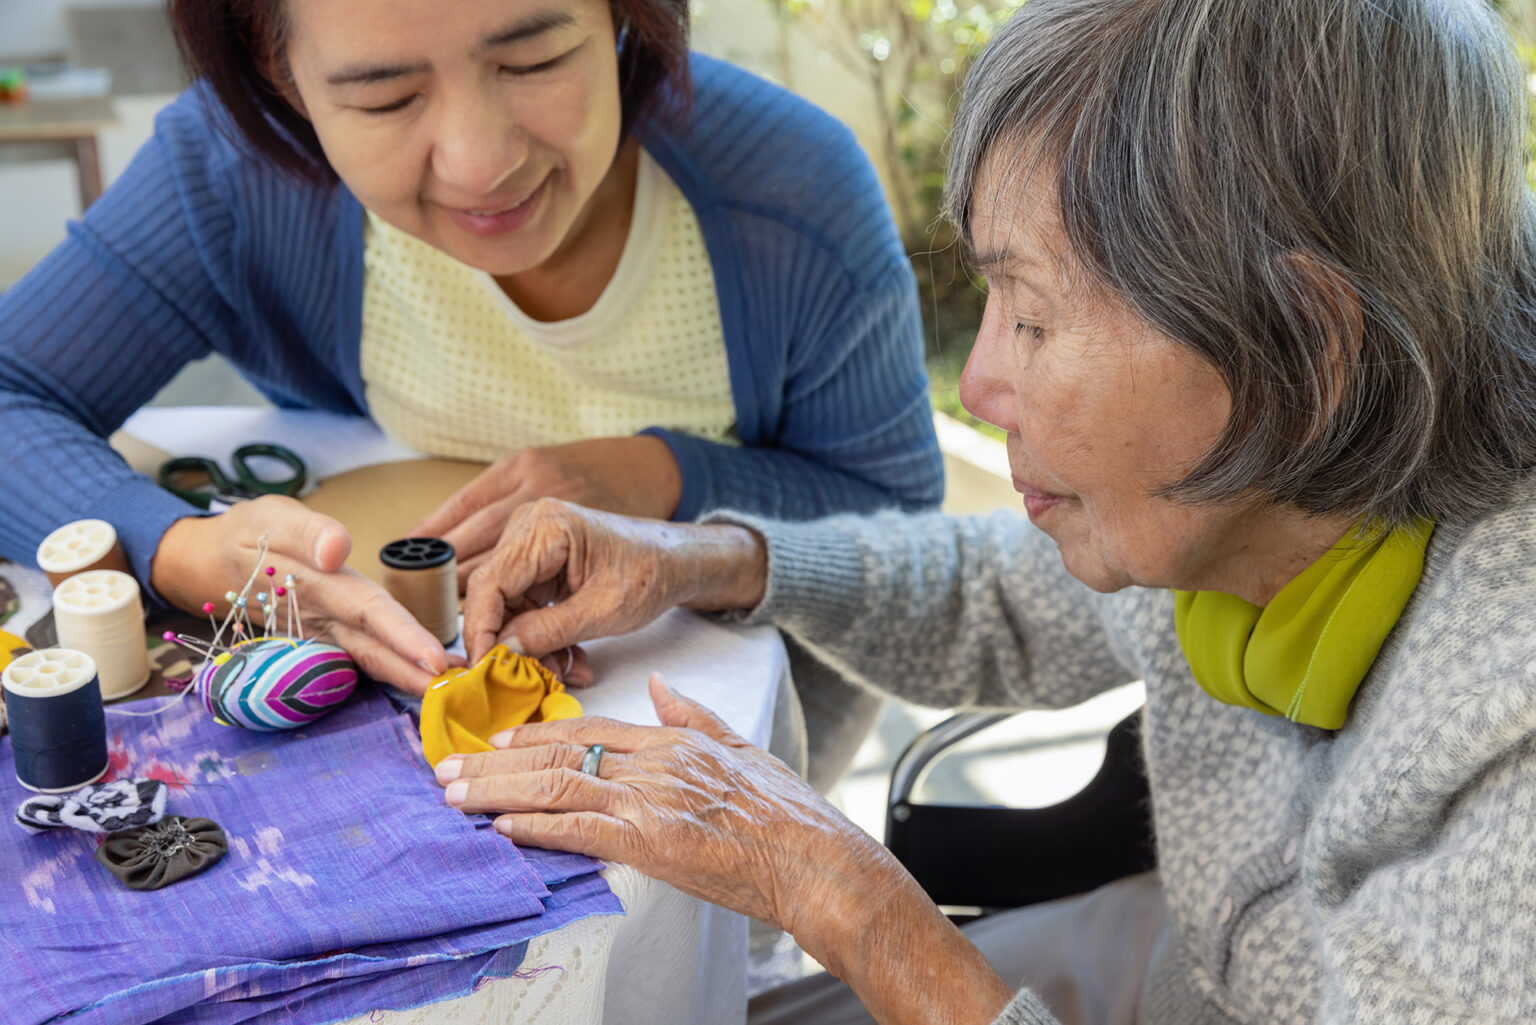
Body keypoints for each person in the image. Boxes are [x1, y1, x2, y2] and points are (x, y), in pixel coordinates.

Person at [437, 0, 1536, 1021]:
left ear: (1305, 345)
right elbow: (998, 592)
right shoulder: (1253, 501)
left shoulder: (1506, 757)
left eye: (1037, 319)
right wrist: (706, 558)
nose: (977, 388)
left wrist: (846, 896)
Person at [0, 0, 941, 697]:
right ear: (281, 77)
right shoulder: (232, 174)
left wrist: (666, 478)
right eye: (385, 98)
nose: (481, 161)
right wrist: (176, 548)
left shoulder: (793, 198)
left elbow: (909, 541)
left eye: (533, 58)